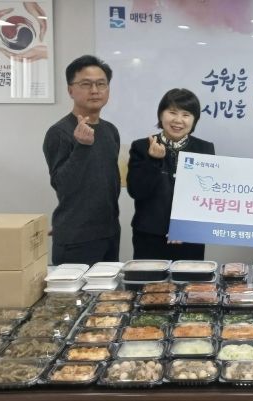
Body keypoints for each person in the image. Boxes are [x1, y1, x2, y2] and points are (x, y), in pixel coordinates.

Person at [43, 55, 121, 266]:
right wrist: (82, 147)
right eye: (86, 84)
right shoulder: (59, 132)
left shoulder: (110, 130)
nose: (95, 90)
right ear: (70, 90)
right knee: (76, 290)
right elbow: (62, 185)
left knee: (109, 288)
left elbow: (108, 183)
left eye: (101, 84)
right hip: (76, 238)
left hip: (110, 232)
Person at [127, 88, 215, 261]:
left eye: (186, 114)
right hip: (150, 235)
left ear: (194, 120)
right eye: (172, 112)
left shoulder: (204, 149)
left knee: (189, 279)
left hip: (189, 235)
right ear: (161, 115)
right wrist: (154, 160)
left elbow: (206, 195)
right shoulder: (142, 146)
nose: (178, 120)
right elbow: (137, 191)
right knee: (148, 279)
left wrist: (182, 226)